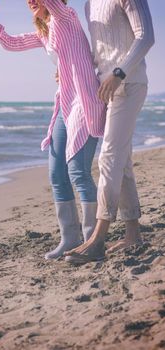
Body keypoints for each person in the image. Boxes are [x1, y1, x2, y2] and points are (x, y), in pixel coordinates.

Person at [0, 0, 106, 260]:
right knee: (56, 173)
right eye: (28, 1)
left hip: (85, 102)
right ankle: (69, 239)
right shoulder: (44, 30)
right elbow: (10, 43)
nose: (31, 2)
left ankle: (93, 240)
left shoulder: (66, 17)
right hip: (65, 104)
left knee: (78, 172)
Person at [65, 0, 155, 264]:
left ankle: (98, 238)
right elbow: (97, 51)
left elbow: (146, 36)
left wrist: (119, 73)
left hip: (130, 83)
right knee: (122, 161)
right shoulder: (89, 5)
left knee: (109, 157)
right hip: (106, 89)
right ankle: (132, 234)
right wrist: (67, 72)